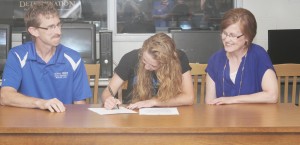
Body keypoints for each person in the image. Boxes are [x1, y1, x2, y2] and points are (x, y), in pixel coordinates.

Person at [0, 1, 92, 112]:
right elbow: (5, 96)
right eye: (50, 27)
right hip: (27, 125)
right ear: (34, 31)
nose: (58, 31)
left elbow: (80, 106)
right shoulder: (17, 56)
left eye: (58, 25)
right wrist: (41, 103)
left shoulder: (74, 59)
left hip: (62, 124)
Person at [102, 33, 194, 110]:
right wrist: (108, 99)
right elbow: (107, 91)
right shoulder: (130, 58)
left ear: (166, 64)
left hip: (168, 117)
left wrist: (153, 102)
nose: (146, 67)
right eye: (144, 60)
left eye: (153, 65)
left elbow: (189, 97)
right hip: (135, 116)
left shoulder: (179, 59)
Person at [205, 8, 278, 105]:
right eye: (225, 33)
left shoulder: (258, 55)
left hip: (254, 117)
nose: (226, 39)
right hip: (223, 118)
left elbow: (272, 96)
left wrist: (233, 99)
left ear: (247, 37)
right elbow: (210, 102)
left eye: (232, 35)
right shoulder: (215, 60)